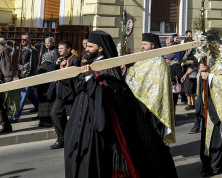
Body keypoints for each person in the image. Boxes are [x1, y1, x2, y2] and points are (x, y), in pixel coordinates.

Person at [64, 30, 176, 178]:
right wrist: (68, 75)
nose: (87, 49)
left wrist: (90, 79)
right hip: (84, 123)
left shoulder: (108, 68)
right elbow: (79, 90)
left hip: (99, 126)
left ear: (101, 48)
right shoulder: (90, 65)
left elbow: (106, 94)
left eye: (90, 46)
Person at [198, 30, 222, 177]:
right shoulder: (208, 56)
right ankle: (207, 163)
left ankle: (215, 165)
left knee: (216, 136)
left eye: (211, 44)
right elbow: (202, 77)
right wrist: (201, 73)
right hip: (207, 102)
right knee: (206, 137)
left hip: (219, 105)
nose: (209, 47)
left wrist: (209, 77)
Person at [126, 33, 175, 143]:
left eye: (145, 44)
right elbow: (133, 75)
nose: (142, 46)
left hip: (154, 105)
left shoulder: (160, 62)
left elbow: (161, 85)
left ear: (152, 45)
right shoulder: (141, 59)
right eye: (142, 44)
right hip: (140, 102)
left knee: (153, 137)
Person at [50, 40, 80, 150]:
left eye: (61, 48)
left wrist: (66, 71)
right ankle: (61, 139)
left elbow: (75, 78)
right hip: (60, 92)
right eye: (58, 48)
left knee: (74, 117)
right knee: (55, 113)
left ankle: (75, 139)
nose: (59, 50)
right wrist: (55, 64)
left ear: (68, 49)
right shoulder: (58, 59)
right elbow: (50, 72)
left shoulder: (74, 60)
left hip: (70, 93)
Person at [11, 34, 39, 122]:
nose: (22, 41)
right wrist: (18, 66)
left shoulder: (31, 50)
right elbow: (20, 62)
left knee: (21, 97)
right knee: (31, 94)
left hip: (27, 76)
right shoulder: (24, 49)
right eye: (21, 40)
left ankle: (15, 117)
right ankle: (40, 109)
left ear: (29, 40)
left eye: (25, 40)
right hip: (23, 75)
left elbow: (33, 64)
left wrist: (26, 72)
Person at [37, 37, 59, 128]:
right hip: (42, 76)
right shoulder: (45, 52)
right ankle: (43, 118)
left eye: (48, 43)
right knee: (42, 96)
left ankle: (47, 119)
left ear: (52, 43)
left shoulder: (55, 52)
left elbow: (56, 63)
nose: (47, 44)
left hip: (49, 76)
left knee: (48, 97)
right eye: (46, 43)